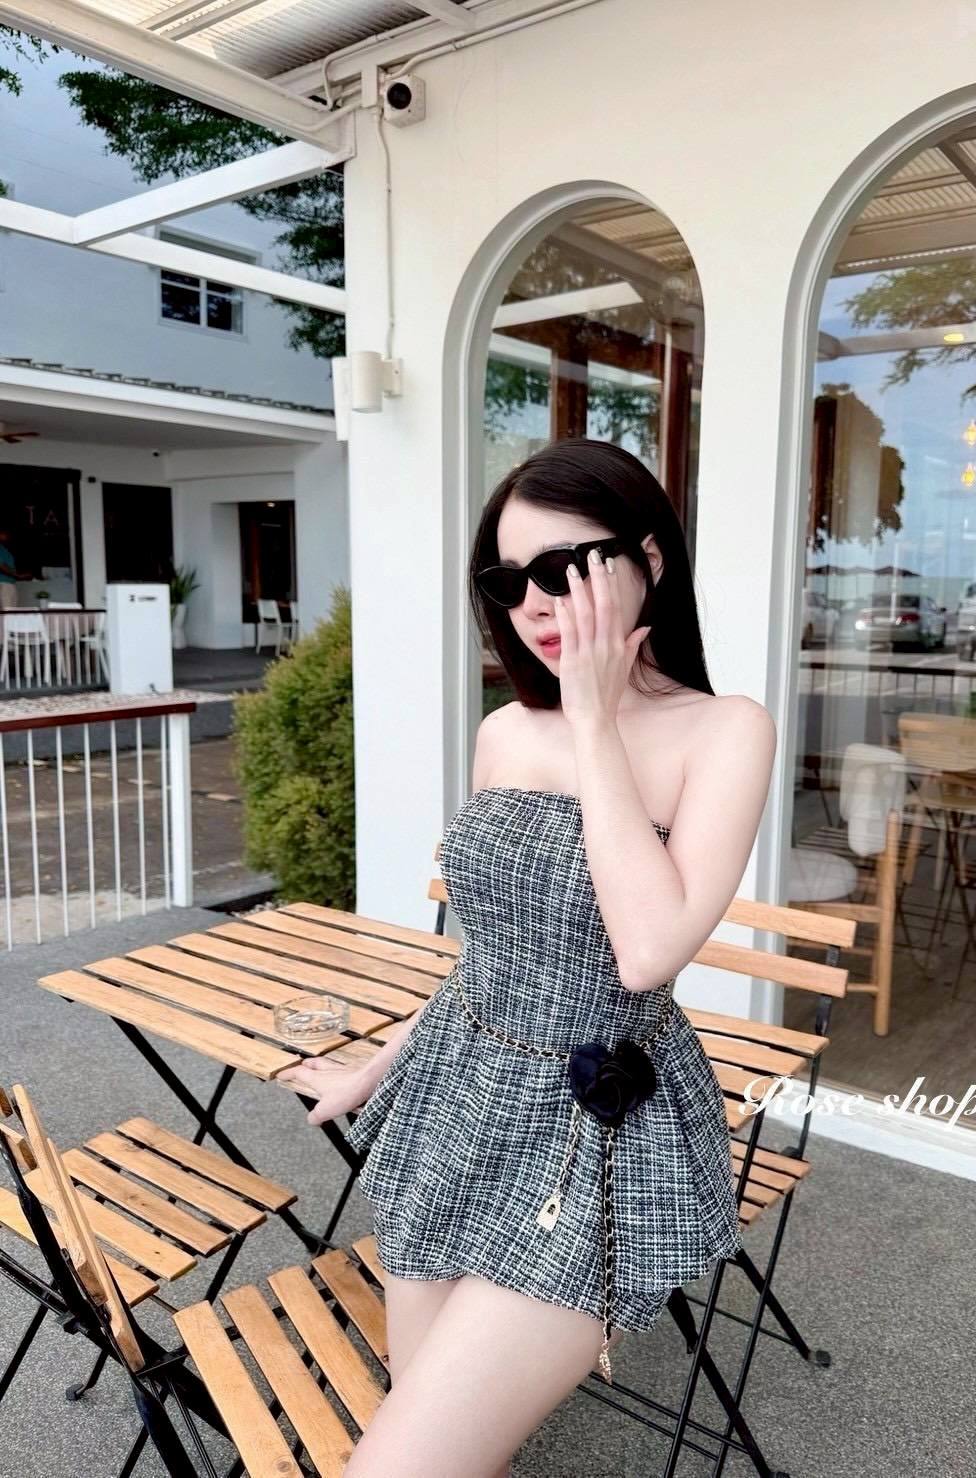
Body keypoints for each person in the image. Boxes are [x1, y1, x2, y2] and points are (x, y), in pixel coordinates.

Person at [278, 438, 777, 1478]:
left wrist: (595, 717)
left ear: (648, 558)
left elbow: (648, 951)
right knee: (445, 1440)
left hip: (595, 1131)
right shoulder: (504, 730)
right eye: (510, 582)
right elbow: (490, 954)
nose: (536, 604)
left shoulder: (725, 731)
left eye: (562, 568)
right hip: (458, 1099)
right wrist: (380, 1064)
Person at [0, 527, 21, 610]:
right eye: (4, 533)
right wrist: (17, 575)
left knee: (11, 612)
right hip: (3, 584)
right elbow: (1, 565)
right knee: (8, 612)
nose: (7, 535)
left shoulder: (4, 549)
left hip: (9, 583)